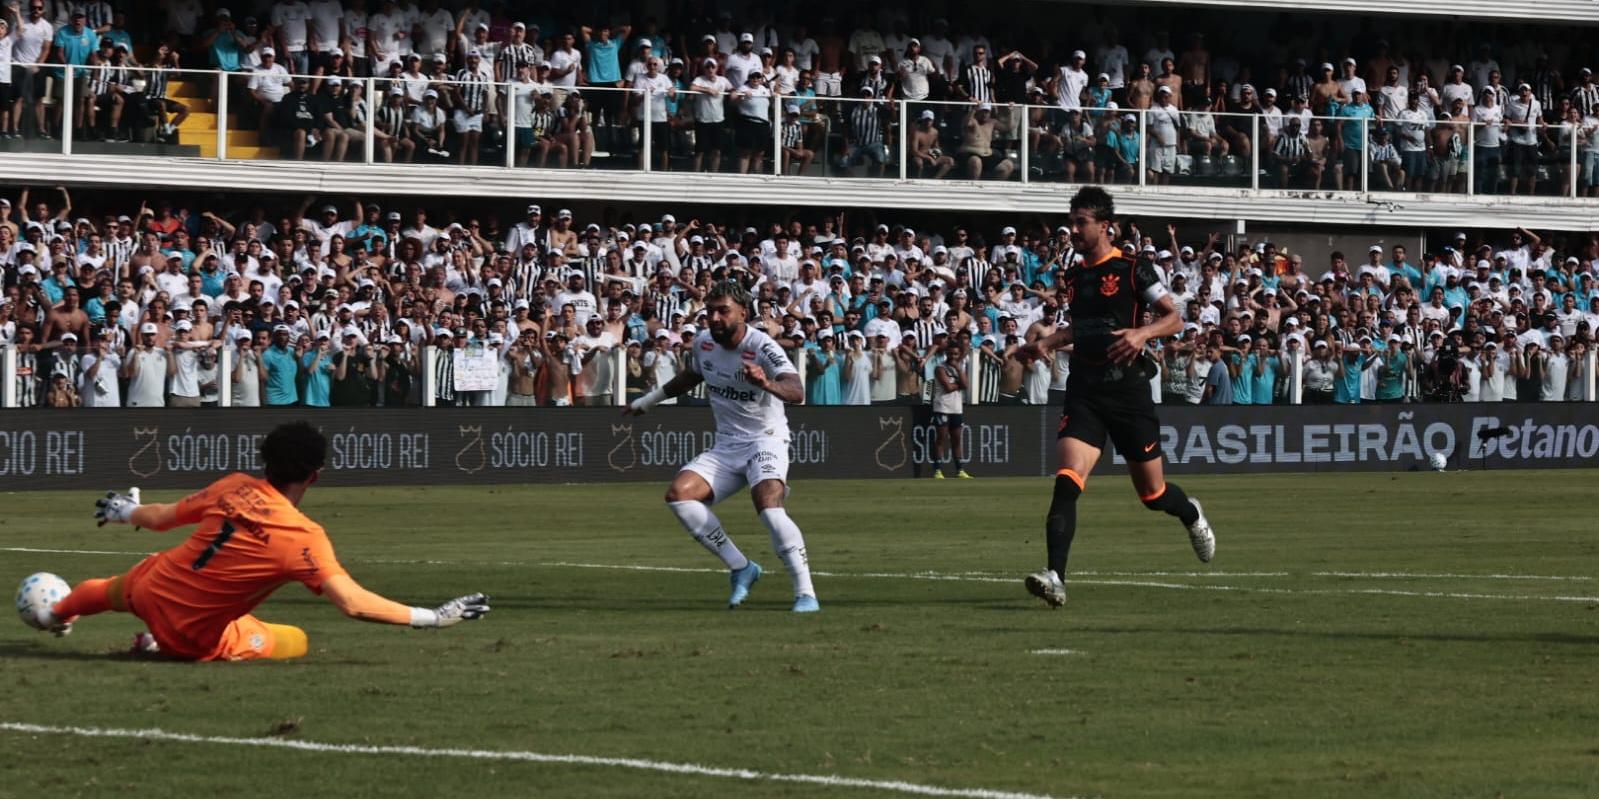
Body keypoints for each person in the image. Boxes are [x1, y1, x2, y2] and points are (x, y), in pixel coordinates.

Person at [26, 422, 490, 660]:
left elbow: (163, 518)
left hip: (151, 582)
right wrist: (433, 617)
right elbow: (352, 603)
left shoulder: (233, 485)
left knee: (109, 590)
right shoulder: (304, 537)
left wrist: (124, 511)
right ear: (315, 475)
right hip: (189, 635)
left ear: (265, 462)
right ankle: (155, 644)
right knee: (296, 640)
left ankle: (55, 612)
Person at [1015, 187, 1216, 608]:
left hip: (1127, 391)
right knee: (1067, 480)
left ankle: (1191, 514)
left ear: (1104, 226)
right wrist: (1047, 343)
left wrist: (1142, 333)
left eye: (1080, 222)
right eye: (1071, 222)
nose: (1072, 230)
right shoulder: (1073, 275)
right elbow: (1080, 328)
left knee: (1153, 495)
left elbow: (1175, 318)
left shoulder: (1133, 269)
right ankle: (1056, 577)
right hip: (1085, 389)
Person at [624, 280, 818, 613]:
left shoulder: (763, 346)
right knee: (679, 496)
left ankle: (805, 593)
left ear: (744, 312)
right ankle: (742, 567)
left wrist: (766, 383)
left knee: (768, 504)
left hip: (766, 439)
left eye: (722, 311)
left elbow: (797, 392)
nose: (714, 318)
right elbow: (691, 376)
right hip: (727, 445)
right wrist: (649, 401)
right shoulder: (703, 344)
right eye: (710, 311)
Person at [929, 339, 970, 479]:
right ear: (946, 353)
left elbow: (966, 385)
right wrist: (959, 383)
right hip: (942, 407)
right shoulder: (940, 368)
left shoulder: (959, 368)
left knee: (957, 440)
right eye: (951, 354)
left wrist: (958, 369)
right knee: (941, 438)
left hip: (956, 408)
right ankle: (938, 470)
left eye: (956, 354)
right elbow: (948, 387)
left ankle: (960, 470)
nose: (953, 356)